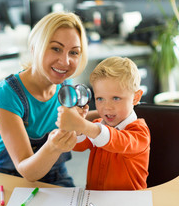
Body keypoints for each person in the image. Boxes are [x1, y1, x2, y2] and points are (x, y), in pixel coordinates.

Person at [0, 11, 88, 187]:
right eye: (56, 48)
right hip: (10, 179)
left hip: (56, 174)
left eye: (73, 52)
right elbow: (28, 171)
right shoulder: (7, 94)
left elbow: (77, 123)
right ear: (35, 48)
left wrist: (107, 114)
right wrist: (54, 147)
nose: (65, 62)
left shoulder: (66, 85)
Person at [56, 56, 150, 190]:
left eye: (116, 98)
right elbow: (78, 146)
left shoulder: (140, 132)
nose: (107, 107)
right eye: (100, 99)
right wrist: (78, 128)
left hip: (129, 204)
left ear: (136, 97)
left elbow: (116, 141)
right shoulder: (98, 125)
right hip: (95, 199)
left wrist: (82, 124)